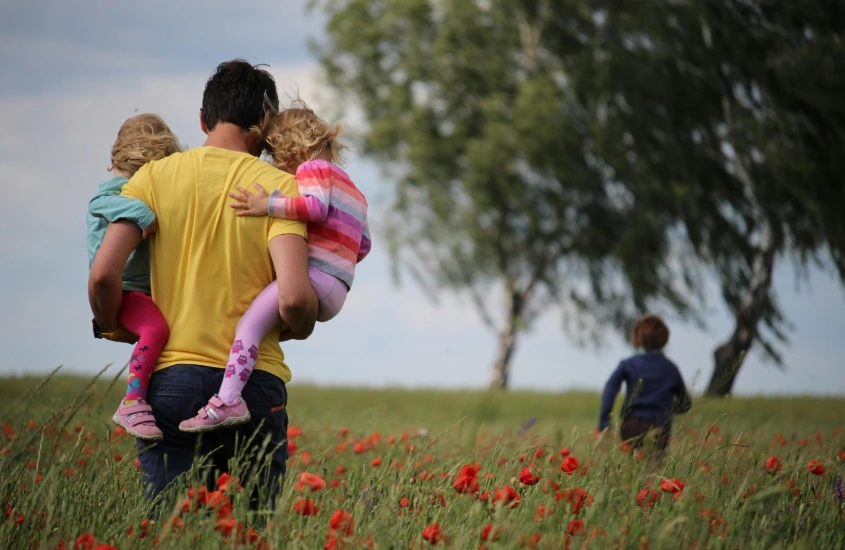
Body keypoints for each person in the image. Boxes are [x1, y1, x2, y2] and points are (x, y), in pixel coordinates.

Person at [88, 59, 318, 506]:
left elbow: (102, 274)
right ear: (265, 122)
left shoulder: (151, 179)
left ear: (202, 119)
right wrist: (303, 323)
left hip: (170, 380)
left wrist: (112, 323)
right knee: (249, 531)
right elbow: (292, 298)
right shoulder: (280, 190)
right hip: (253, 385)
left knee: (173, 528)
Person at [179, 102, 371, 432]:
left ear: (292, 146)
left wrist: (266, 204)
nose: (275, 162)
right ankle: (237, 384)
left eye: (275, 153)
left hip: (315, 278)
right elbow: (363, 245)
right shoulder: (354, 190)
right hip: (338, 288)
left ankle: (227, 400)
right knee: (264, 328)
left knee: (248, 326)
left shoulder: (313, 170)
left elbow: (314, 208)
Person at [87, 114, 181, 441]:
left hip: (143, 290)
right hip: (126, 290)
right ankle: (133, 400)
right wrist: (143, 214)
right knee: (156, 328)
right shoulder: (116, 190)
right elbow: (100, 202)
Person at [597, 314, 692, 456]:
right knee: (653, 470)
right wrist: (666, 409)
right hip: (659, 426)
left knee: (633, 468)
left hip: (631, 425)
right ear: (664, 339)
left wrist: (604, 422)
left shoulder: (628, 364)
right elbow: (685, 403)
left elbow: (610, 388)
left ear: (637, 337)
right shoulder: (671, 368)